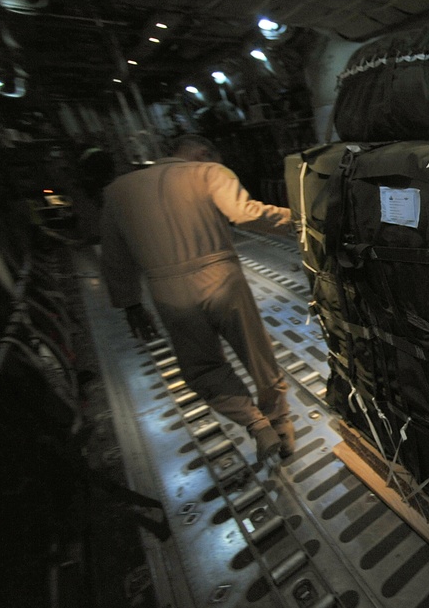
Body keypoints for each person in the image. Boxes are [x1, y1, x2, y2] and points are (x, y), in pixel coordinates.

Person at [100, 134, 296, 463]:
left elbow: (114, 258)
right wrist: (302, 221)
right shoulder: (208, 172)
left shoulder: (117, 191)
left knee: (202, 368)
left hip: (167, 291)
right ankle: (280, 424)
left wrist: (131, 305)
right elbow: (246, 213)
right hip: (222, 279)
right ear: (205, 152)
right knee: (258, 356)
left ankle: (255, 424)